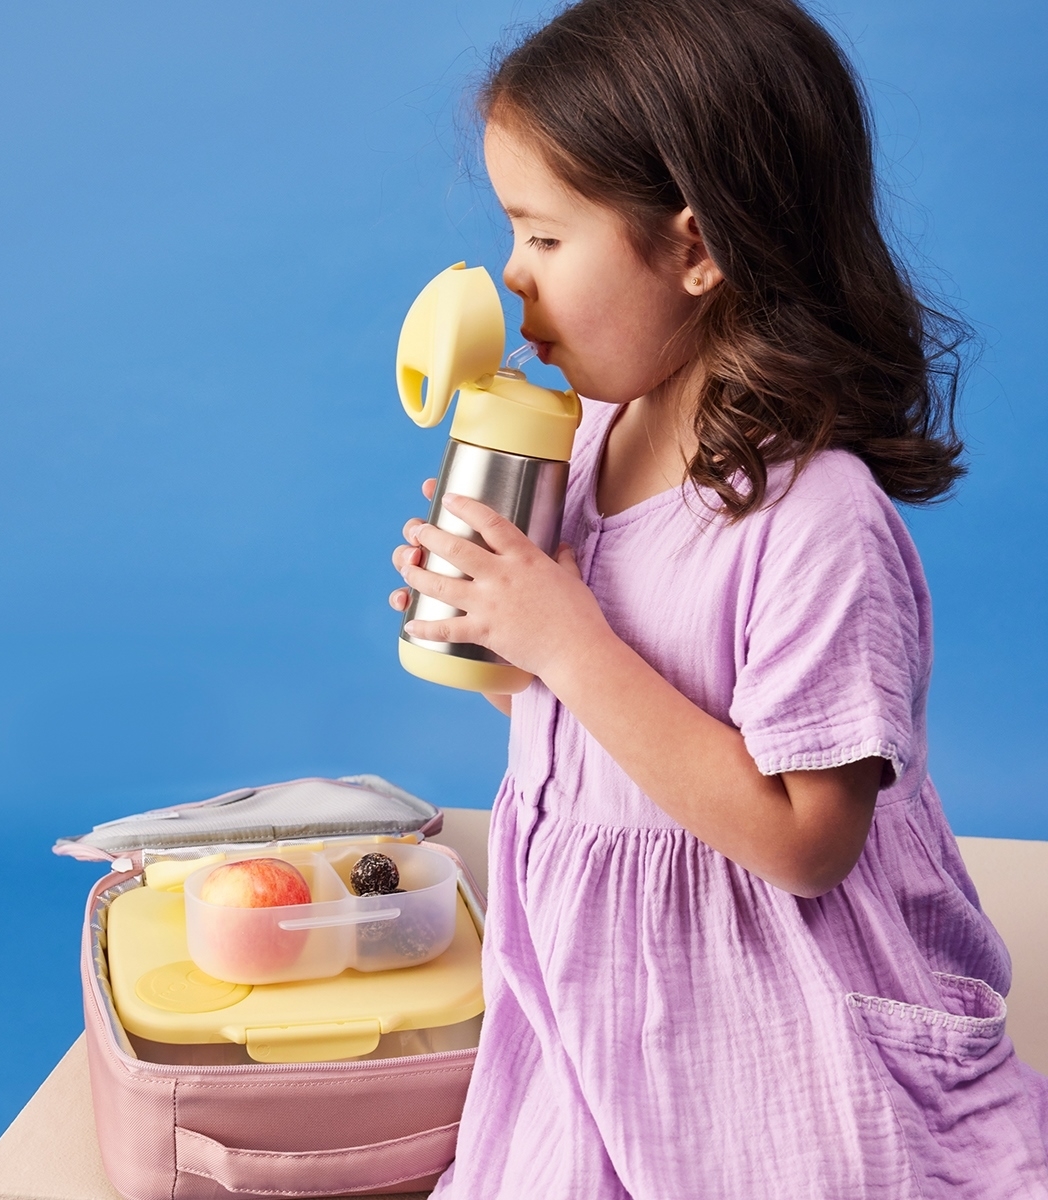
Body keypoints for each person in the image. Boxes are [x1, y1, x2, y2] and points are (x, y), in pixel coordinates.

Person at [387, 0, 1048, 1196]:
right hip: (599, 1009)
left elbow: (807, 842)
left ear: (697, 248)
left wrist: (568, 643)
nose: (511, 274)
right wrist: (497, 633)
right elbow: (586, 738)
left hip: (779, 1020)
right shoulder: (589, 435)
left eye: (544, 235)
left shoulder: (816, 520)